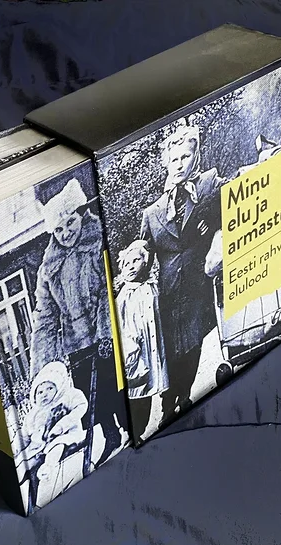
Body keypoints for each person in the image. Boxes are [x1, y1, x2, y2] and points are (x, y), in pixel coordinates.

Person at [30, 177, 128, 463]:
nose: (66, 233)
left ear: (81, 215)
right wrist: (43, 362)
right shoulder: (49, 266)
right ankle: (111, 435)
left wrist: (106, 332)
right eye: (58, 229)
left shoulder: (98, 241)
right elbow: (45, 315)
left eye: (70, 223)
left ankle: (132, 426)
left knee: (114, 382)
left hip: (105, 330)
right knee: (92, 394)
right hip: (76, 340)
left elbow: (107, 290)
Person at [141, 125, 224, 417]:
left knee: (192, 343)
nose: (179, 165)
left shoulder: (209, 184)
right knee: (171, 350)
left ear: (195, 156)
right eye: (174, 159)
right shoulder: (152, 213)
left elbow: (231, 205)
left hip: (198, 284)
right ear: (166, 163)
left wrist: (214, 229)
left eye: (185, 157)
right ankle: (169, 404)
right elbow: (143, 256)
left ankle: (184, 396)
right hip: (168, 295)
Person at [17, 361, 89, 510]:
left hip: (64, 435)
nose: (45, 394)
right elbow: (24, 434)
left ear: (58, 388)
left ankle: (48, 466)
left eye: (50, 388)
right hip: (38, 446)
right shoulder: (33, 414)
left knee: (57, 445)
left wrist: (62, 425)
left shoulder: (66, 397)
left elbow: (81, 405)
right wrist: (18, 447)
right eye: (40, 392)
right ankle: (21, 481)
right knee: (26, 461)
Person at [115, 240, 169, 399]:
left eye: (136, 261)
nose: (131, 267)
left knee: (157, 372)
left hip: (153, 338)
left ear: (145, 262)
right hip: (136, 346)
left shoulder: (151, 285)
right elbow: (121, 326)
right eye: (126, 264)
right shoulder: (124, 296)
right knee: (140, 386)